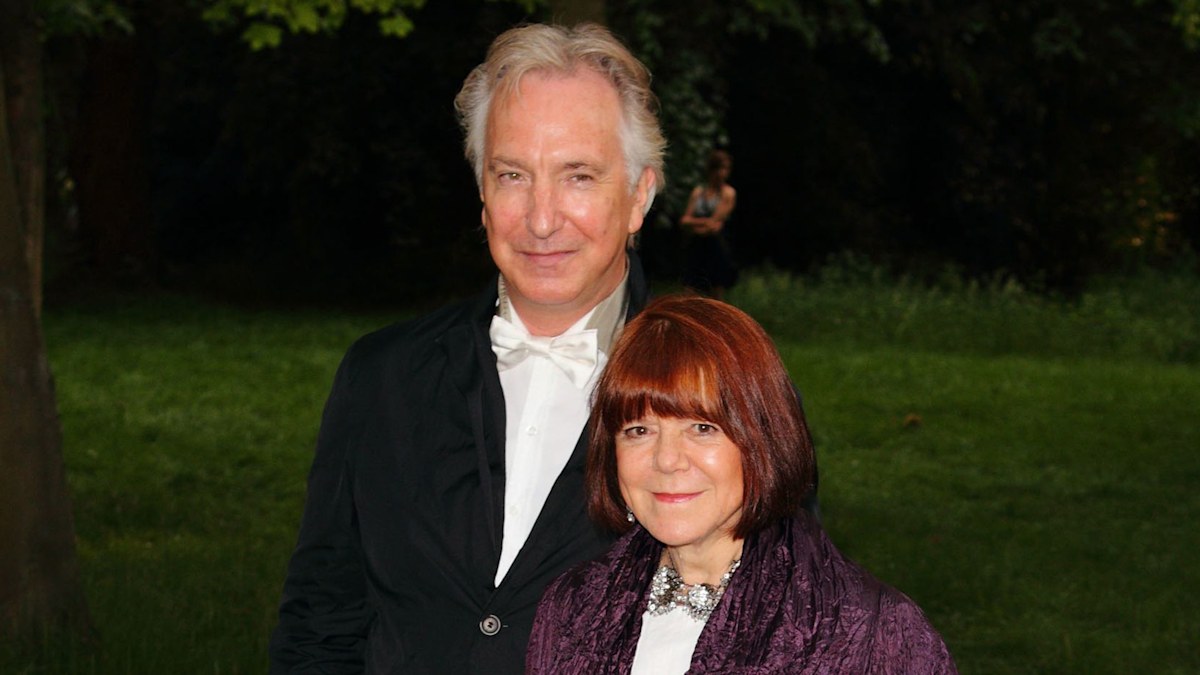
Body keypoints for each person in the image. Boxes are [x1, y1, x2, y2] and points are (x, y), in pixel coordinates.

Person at [267, 23, 668, 674]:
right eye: (512, 175)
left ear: (639, 195)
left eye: (578, 176)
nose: (541, 219)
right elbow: (320, 625)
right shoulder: (382, 377)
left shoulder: (720, 390)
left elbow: (779, 631)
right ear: (482, 193)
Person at [527, 296, 956, 674]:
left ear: (764, 440)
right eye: (639, 430)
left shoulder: (875, 634)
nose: (667, 460)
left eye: (702, 428)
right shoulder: (573, 607)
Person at [679, 149, 738, 299]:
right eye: (720, 168)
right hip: (696, 247)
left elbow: (713, 224)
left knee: (715, 293)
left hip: (715, 247)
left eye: (726, 169)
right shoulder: (699, 192)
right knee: (690, 290)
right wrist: (704, 223)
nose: (723, 173)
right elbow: (684, 220)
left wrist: (694, 225)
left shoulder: (728, 193)